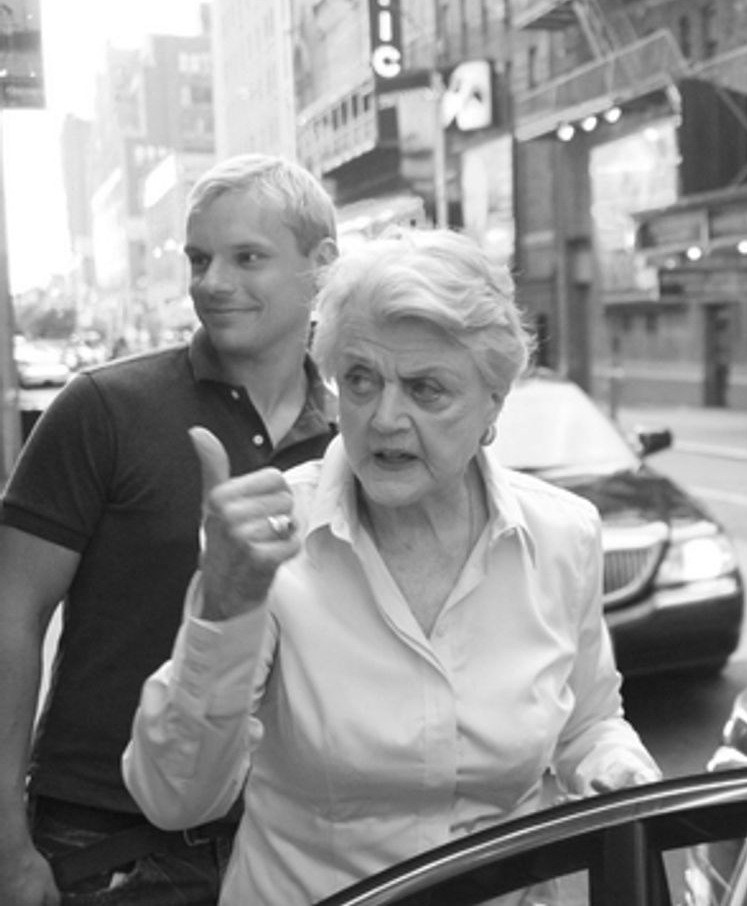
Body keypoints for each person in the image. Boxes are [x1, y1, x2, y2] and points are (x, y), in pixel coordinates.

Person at [123, 228, 662, 905]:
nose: (383, 417)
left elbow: (588, 723)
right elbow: (176, 799)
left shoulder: (562, 535)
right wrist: (223, 610)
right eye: (360, 380)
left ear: (494, 405)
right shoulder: (270, 535)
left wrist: (619, 770)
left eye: (426, 389)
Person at [0, 153, 339, 905]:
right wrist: (5, 846)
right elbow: (11, 616)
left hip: (288, 846)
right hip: (106, 844)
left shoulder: (356, 440)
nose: (211, 283)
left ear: (322, 265)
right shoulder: (103, 407)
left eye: (246, 257)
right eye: (198, 258)